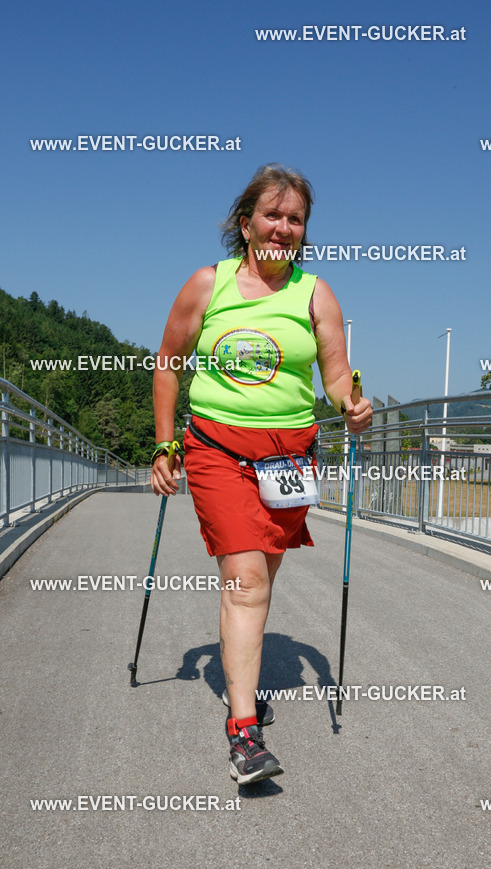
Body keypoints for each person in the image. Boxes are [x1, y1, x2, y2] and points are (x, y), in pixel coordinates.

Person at [150, 164, 372, 785]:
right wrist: (165, 442)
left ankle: (238, 677)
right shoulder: (207, 284)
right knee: (245, 579)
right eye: (272, 215)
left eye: (295, 218)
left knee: (261, 576)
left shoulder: (315, 294)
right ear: (245, 223)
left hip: (290, 460)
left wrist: (351, 402)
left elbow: (335, 375)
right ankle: (244, 732)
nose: (283, 227)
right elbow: (169, 365)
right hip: (218, 450)